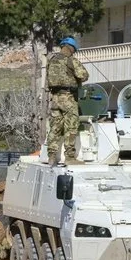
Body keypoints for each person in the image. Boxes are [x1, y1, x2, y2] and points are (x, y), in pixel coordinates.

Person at [45, 37, 89, 166]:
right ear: (71, 48)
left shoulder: (51, 60)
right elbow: (84, 75)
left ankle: (51, 156)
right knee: (71, 126)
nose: (74, 52)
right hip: (68, 97)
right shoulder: (71, 60)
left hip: (54, 98)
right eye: (74, 50)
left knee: (55, 127)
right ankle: (69, 157)